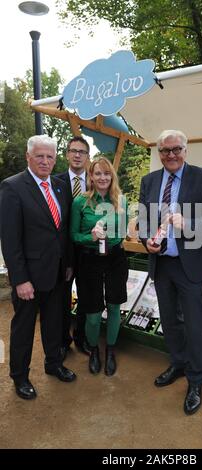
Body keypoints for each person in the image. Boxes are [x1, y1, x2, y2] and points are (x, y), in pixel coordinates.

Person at [138, 129, 202, 415]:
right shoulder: (149, 181)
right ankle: (178, 363)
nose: (171, 155)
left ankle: (197, 378)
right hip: (162, 264)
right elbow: (144, 219)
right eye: (165, 151)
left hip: (191, 265)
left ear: (185, 150)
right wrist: (146, 241)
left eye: (176, 149)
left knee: (195, 323)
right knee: (170, 321)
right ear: (159, 153)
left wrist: (187, 223)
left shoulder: (201, 176)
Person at [0, 135, 76, 400]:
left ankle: (53, 364)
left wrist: (67, 265)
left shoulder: (58, 186)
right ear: (28, 157)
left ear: (56, 159)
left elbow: (62, 230)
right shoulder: (12, 187)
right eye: (40, 156)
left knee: (54, 325)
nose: (45, 161)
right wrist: (20, 279)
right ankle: (20, 377)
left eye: (50, 157)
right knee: (23, 328)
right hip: (29, 278)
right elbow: (10, 240)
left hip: (57, 273)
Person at [70, 157, 128, 376]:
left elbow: (122, 233)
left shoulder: (120, 201)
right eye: (98, 174)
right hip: (90, 260)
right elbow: (73, 235)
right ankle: (94, 349)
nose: (103, 177)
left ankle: (111, 350)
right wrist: (90, 237)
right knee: (93, 313)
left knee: (114, 307)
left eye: (107, 173)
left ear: (111, 176)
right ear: (91, 177)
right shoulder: (80, 202)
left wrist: (118, 240)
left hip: (115, 259)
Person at [56, 136, 90, 359]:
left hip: (89, 253)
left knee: (88, 297)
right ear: (67, 154)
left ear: (88, 157)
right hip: (63, 254)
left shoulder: (96, 182)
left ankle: (81, 338)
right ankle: (62, 341)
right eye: (73, 150)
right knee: (62, 299)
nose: (77, 155)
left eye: (82, 152)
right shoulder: (55, 182)